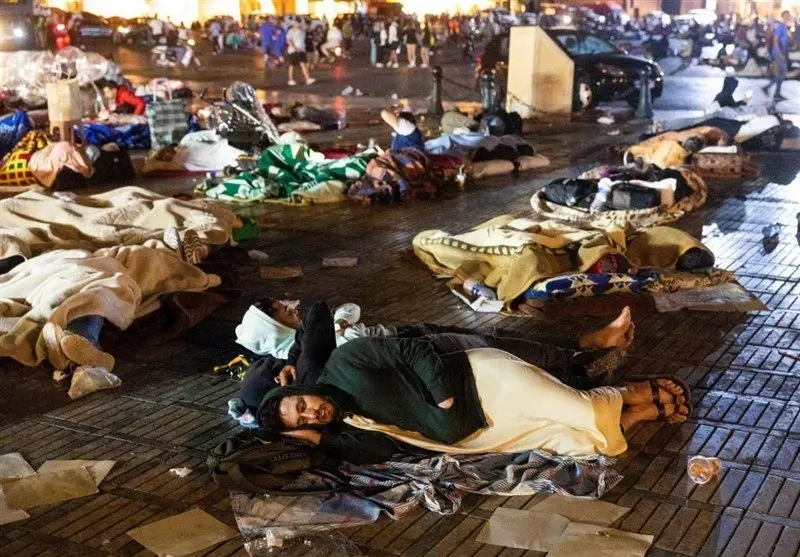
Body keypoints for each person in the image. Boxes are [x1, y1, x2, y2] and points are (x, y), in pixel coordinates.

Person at [257, 334, 690, 465]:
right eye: (303, 421)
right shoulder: (348, 424)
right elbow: (380, 451)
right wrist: (318, 439)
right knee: (575, 444)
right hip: (482, 431)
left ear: (300, 390)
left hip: (483, 381)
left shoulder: (347, 360)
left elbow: (413, 350)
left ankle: (628, 392)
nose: (312, 412)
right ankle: (639, 414)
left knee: (579, 409)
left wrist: (443, 397)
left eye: (302, 405)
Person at [762, 11, 791, 102]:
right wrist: (780, 53)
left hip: (780, 52)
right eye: (787, 16)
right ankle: (767, 88)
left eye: (789, 16)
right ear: (784, 16)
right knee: (783, 72)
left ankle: (777, 93)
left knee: (780, 73)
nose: (789, 17)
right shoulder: (781, 27)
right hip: (777, 53)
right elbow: (775, 40)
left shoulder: (785, 27)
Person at [286, 21, 315, 86]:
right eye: (297, 23)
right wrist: (294, 48)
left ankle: (308, 79)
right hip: (293, 50)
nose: (298, 24)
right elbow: (289, 40)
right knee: (292, 65)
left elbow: (307, 29)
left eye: (299, 22)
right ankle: (290, 80)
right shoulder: (291, 31)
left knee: (303, 64)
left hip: (301, 50)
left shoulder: (302, 31)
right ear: (294, 24)